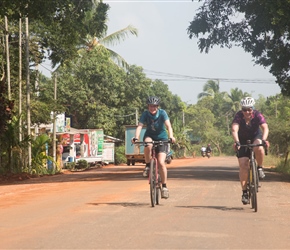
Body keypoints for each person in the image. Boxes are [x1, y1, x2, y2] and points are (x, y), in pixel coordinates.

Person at [131, 96, 176, 199]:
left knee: (161, 162)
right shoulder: (145, 114)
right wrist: (136, 137)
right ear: (148, 106)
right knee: (148, 144)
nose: (153, 108)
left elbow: (168, 126)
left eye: (154, 106)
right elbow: (140, 126)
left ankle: (164, 187)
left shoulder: (162, 113)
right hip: (150, 136)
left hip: (162, 138)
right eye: (151, 106)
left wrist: (171, 137)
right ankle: (147, 165)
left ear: (157, 107)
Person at [231, 97, 269, 205]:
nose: (247, 112)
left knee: (260, 147)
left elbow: (265, 127)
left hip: (255, 136)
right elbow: (234, 129)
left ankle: (260, 168)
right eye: (245, 109)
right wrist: (237, 141)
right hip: (242, 139)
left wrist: (264, 140)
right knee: (243, 165)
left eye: (249, 109)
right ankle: (244, 193)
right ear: (241, 110)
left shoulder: (257, 115)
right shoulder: (238, 116)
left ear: (253, 109)